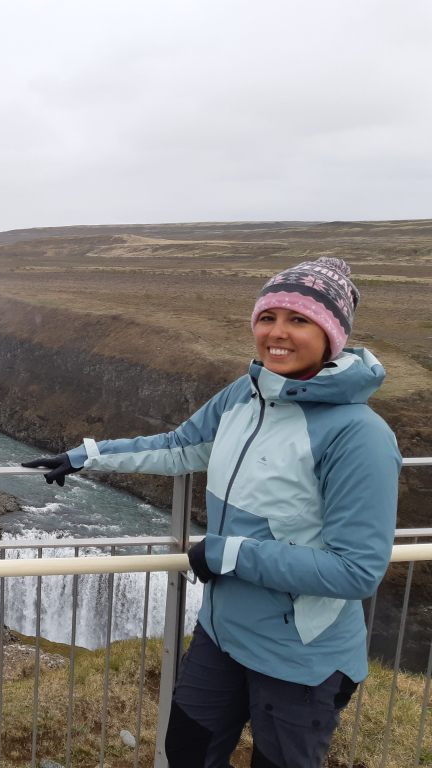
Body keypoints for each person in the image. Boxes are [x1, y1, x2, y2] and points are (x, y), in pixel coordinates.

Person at [22, 257, 401, 766]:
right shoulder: (244, 396)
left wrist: (229, 554)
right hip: (221, 636)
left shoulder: (360, 436)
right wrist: (85, 456)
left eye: (299, 320)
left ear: (331, 335)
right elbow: (180, 446)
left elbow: (357, 570)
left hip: (301, 657)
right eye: (268, 317)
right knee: (186, 752)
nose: (277, 333)